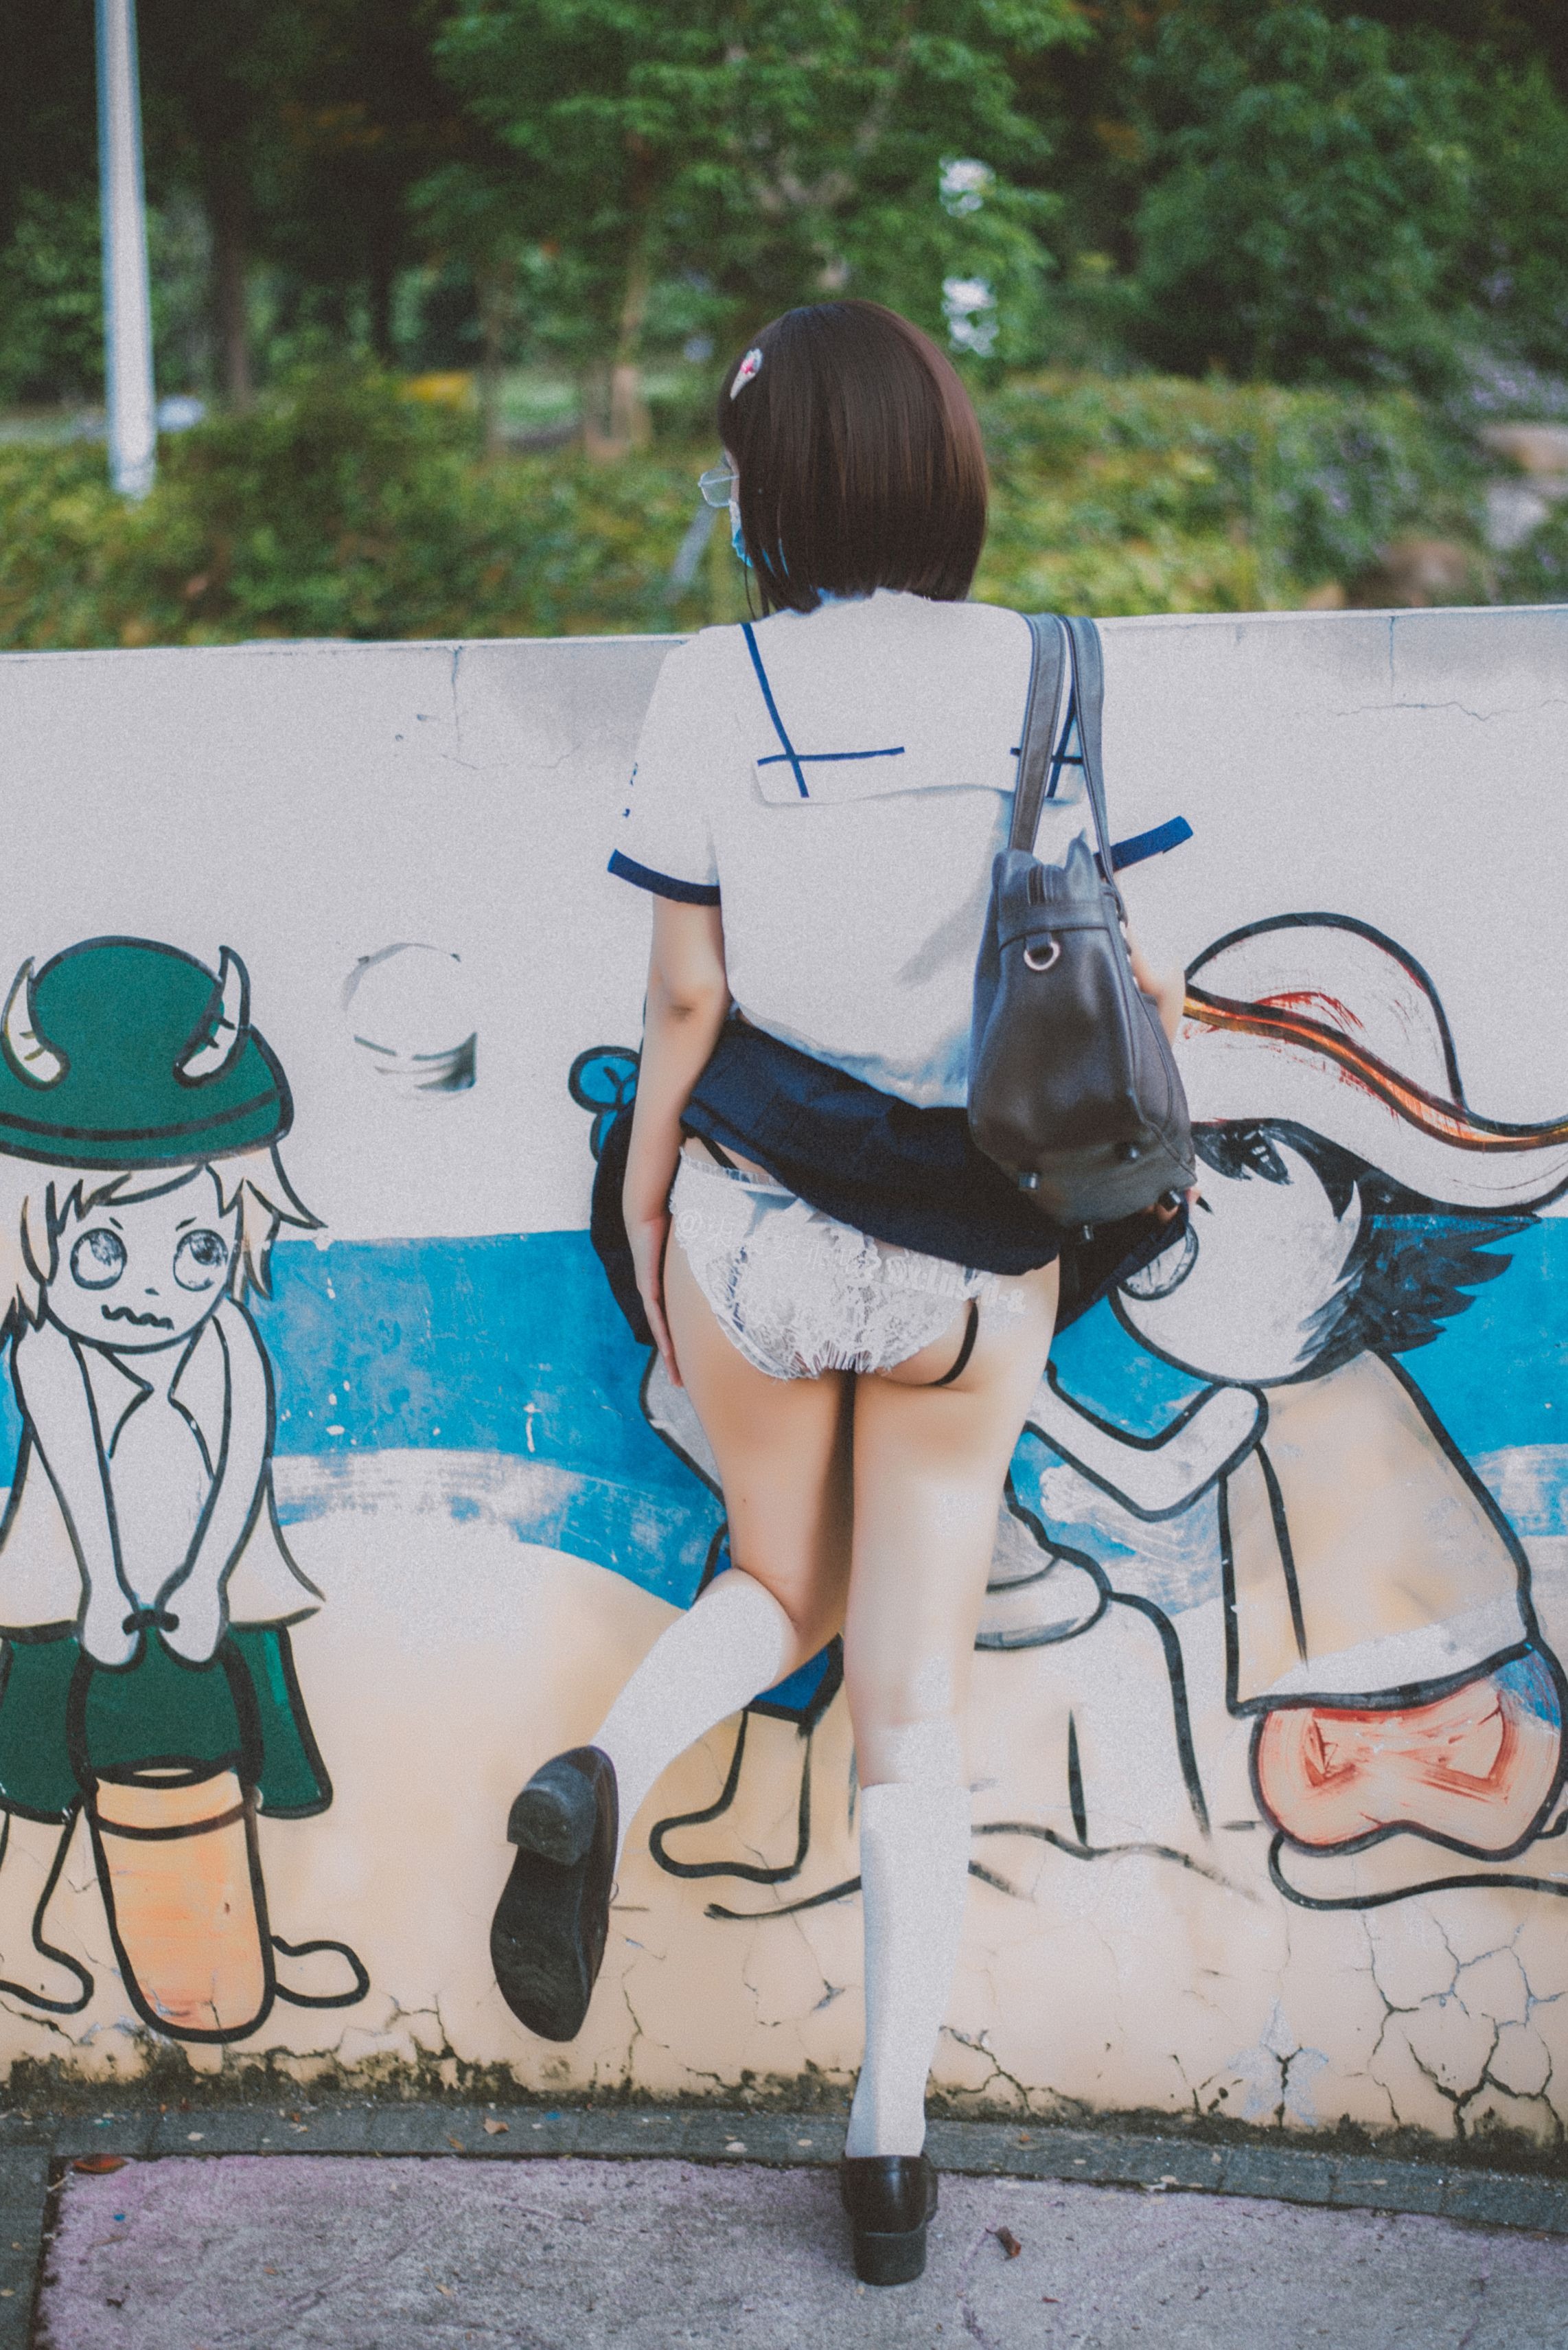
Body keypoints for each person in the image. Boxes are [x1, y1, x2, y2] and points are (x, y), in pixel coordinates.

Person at [491, 300, 1184, 2287]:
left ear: (778, 483)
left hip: (753, 1223)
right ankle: (886, 2148)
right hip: (969, 1246)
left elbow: (683, 998)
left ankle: (601, 1770)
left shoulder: (712, 681)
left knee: (770, 1578)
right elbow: (1120, 959)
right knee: (910, 1701)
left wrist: (647, 1200)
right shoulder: (1046, 668)